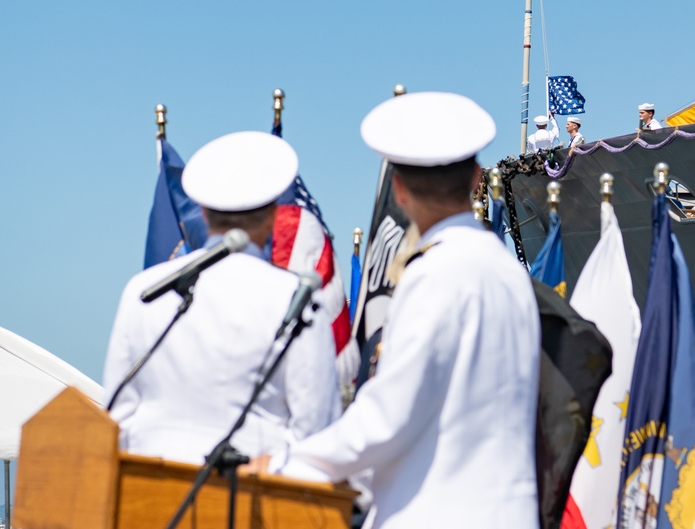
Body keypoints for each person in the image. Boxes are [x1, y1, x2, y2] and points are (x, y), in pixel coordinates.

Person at [260, 92, 541, 528]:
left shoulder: (434, 273)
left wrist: (285, 463)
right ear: (476, 177)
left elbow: (386, 417)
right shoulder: (509, 272)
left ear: (399, 190)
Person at [102, 131, 339, 465]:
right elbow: (315, 432)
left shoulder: (143, 290)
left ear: (201, 210)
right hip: (255, 501)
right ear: (274, 214)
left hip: (150, 500)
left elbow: (117, 418)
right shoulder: (296, 299)